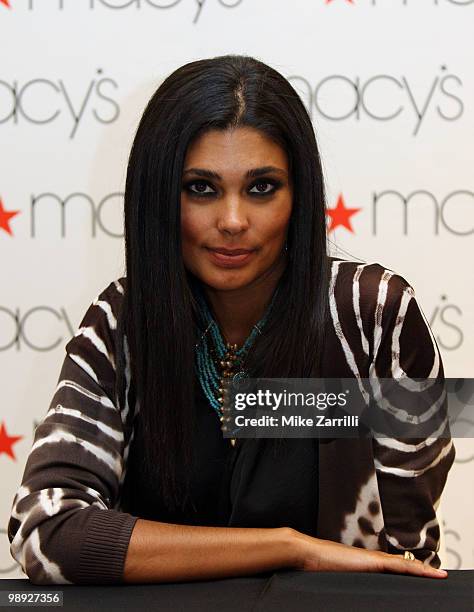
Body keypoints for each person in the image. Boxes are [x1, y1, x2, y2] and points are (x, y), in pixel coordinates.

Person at [8, 54, 455, 585]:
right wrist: (289, 549)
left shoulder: (371, 315)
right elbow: (47, 532)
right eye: (201, 188)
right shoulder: (123, 323)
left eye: (262, 187)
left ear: (301, 196)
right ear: (157, 197)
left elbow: (407, 566)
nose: (233, 221)